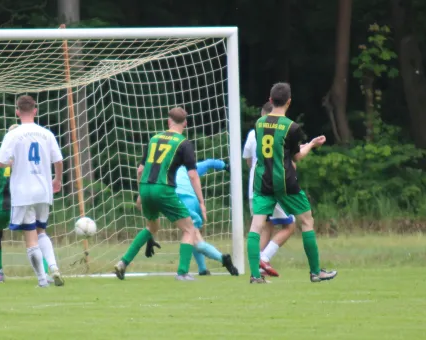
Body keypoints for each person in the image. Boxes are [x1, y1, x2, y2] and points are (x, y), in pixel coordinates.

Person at [247, 82, 337, 283]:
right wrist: (311, 145)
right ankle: (315, 272)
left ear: (270, 100)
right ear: (289, 102)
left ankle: (254, 275)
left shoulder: (259, 124)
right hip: (285, 182)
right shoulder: (292, 127)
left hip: (262, 181)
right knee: (306, 222)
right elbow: (295, 157)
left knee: (256, 227)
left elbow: (276, 150)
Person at [114, 107, 204, 281]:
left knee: (152, 227)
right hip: (163, 189)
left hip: (146, 188)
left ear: (168, 121)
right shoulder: (184, 144)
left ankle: (123, 263)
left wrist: (140, 193)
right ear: (185, 123)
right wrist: (201, 201)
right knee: (189, 229)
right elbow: (193, 175)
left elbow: (140, 170)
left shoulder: (154, 139)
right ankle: (183, 272)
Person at [0, 124, 53, 283]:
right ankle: (45, 273)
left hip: (1, 206)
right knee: (35, 235)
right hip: (24, 203)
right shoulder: (27, 156)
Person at [0, 95, 64, 287]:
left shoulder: (13, 134)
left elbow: (0, 162)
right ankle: (54, 267)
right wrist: (57, 180)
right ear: (35, 110)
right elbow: (58, 161)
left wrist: (11, 161)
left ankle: (43, 280)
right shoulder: (46, 134)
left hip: (23, 192)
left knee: (30, 235)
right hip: (44, 190)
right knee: (42, 231)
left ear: (17, 111)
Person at [142, 159, 238, 276]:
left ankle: (223, 259)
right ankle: (203, 269)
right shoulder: (188, 167)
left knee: (196, 240)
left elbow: (151, 202)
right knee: (191, 234)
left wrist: (149, 236)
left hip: (179, 201)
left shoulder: (162, 172)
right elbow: (209, 163)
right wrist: (226, 166)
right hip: (193, 201)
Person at [243, 102, 296, 277]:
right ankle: (263, 259)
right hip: (271, 186)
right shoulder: (279, 130)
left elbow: (249, 161)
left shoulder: (253, 133)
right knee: (289, 225)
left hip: (254, 187)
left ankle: (256, 269)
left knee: (263, 227)